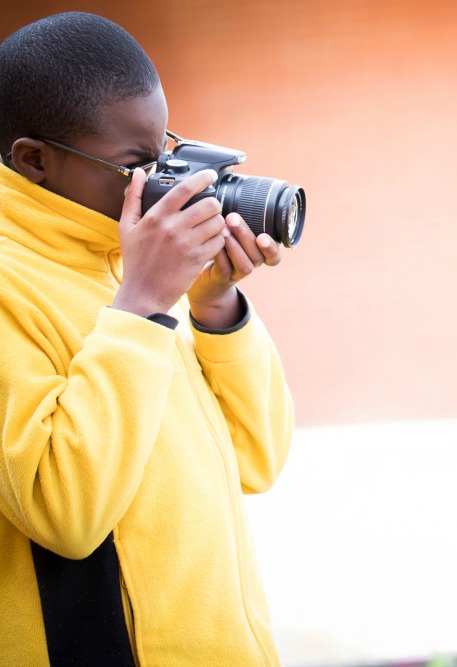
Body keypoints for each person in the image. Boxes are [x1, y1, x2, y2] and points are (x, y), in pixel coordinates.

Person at [0, 12, 294, 665]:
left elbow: (257, 458)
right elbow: (64, 512)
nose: (157, 183)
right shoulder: (15, 285)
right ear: (35, 160)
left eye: (162, 154)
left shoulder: (123, 261)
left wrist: (215, 306)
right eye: (133, 165)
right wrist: (142, 303)